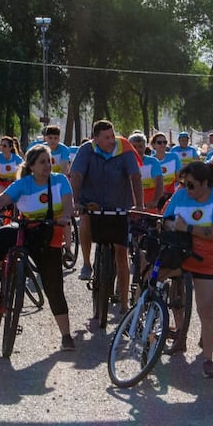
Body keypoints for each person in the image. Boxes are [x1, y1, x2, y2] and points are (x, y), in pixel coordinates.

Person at [0, 145, 77, 350]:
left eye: (49, 161)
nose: (47, 165)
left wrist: (66, 216)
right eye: (42, 162)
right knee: (2, 235)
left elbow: (68, 204)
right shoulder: (23, 184)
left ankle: (66, 335)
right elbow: (1, 199)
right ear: (31, 166)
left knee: (54, 287)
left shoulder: (60, 180)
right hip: (26, 230)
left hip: (49, 235)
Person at [162, 161, 213, 378]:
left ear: (205, 183)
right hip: (179, 255)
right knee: (151, 275)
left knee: (206, 310)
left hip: (206, 261)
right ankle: (174, 331)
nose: (186, 189)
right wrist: (171, 225)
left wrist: (188, 228)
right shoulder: (180, 195)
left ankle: (208, 359)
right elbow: (165, 221)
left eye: (191, 185)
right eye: (184, 184)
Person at [69, 120, 143, 307]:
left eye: (112, 136)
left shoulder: (124, 149)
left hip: (119, 204)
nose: (112, 140)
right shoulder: (86, 150)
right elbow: (76, 175)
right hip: (92, 202)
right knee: (85, 219)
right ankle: (87, 263)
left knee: (121, 252)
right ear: (96, 139)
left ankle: (124, 304)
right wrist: (75, 201)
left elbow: (135, 177)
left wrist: (139, 205)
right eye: (107, 137)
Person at [129, 133, 163, 213]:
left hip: (149, 206)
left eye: (140, 146)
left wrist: (155, 201)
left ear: (145, 146)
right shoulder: (126, 163)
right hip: (131, 207)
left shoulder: (153, 162)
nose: (137, 150)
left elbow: (159, 183)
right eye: (134, 147)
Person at [150, 132, 180, 208]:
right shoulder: (150, 161)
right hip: (155, 196)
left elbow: (178, 177)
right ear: (153, 145)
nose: (163, 144)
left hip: (171, 194)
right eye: (159, 142)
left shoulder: (173, 157)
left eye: (165, 142)